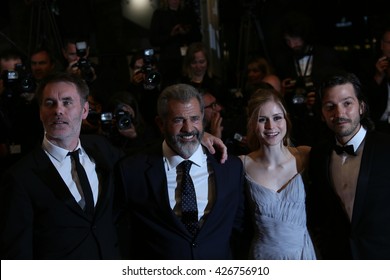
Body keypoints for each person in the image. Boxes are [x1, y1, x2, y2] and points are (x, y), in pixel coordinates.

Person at [0, 72, 124, 259]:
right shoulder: (19, 177)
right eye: (50, 103)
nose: (58, 110)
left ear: (84, 110)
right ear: (40, 112)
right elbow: (16, 254)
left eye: (67, 102)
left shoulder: (103, 150)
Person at [115, 83, 247, 259]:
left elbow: (239, 229)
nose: (188, 129)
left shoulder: (230, 167)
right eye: (178, 120)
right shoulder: (132, 170)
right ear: (160, 124)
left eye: (194, 119)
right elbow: (121, 233)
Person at [306, 71, 390, 259]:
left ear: (361, 106)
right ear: (322, 114)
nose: (339, 113)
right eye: (330, 107)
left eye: (347, 103)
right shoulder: (318, 155)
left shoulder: (386, 148)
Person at [239, 88, 316, 260]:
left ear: (286, 120)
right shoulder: (242, 164)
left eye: (277, 118)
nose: (271, 126)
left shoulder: (304, 155)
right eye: (262, 119)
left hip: (302, 256)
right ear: (252, 123)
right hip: (263, 258)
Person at [274, 11, 342, 146]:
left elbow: (340, 85)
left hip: (324, 122)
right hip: (297, 122)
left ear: (305, 35)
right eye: (288, 40)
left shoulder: (327, 55)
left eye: (295, 39)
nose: (292, 45)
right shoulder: (284, 60)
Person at [149, 0, 202, 88]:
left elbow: (198, 37)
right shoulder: (160, 14)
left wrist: (187, 32)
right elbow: (153, 39)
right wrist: (171, 35)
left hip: (187, 60)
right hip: (168, 62)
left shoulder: (188, 13)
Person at [363, 27, 390, 133]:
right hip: (378, 126)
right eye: (389, 43)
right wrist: (379, 76)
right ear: (382, 45)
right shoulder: (370, 66)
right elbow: (365, 101)